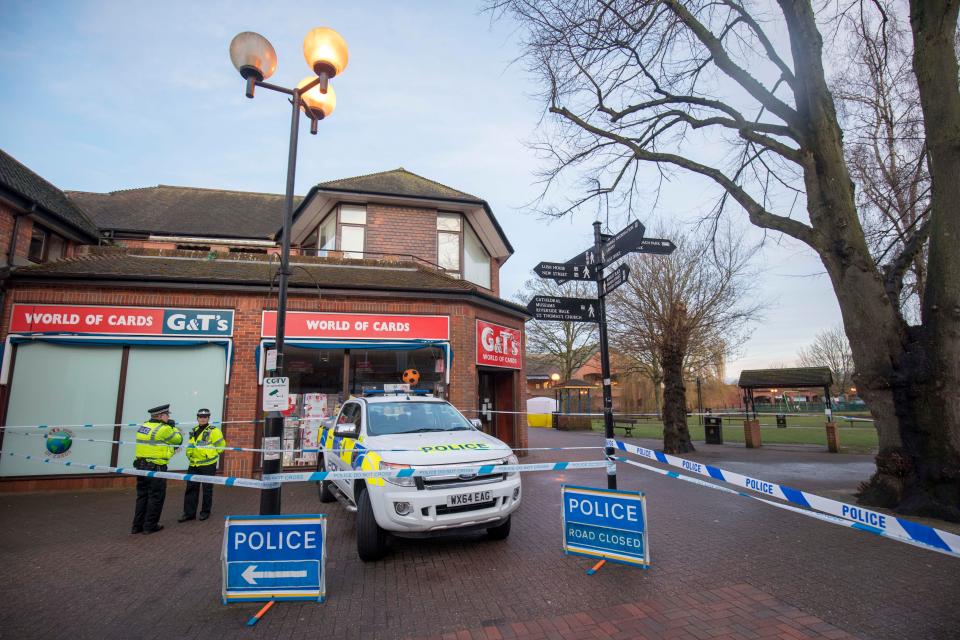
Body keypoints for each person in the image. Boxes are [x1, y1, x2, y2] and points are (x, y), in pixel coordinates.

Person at [131, 404, 183, 534]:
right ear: (160, 416)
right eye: (167, 415)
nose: (168, 417)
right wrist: (173, 427)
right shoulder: (164, 428)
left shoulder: (144, 426)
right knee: (156, 497)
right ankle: (150, 526)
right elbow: (178, 440)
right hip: (156, 467)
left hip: (140, 466)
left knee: (142, 496)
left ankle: (137, 526)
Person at [179, 408, 226, 522]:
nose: (203, 419)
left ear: (208, 418)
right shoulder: (194, 430)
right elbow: (191, 445)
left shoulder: (214, 431)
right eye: (200, 417)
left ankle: (205, 512)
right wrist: (189, 455)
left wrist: (210, 455)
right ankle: (189, 513)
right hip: (194, 464)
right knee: (191, 489)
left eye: (205, 417)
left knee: (207, 489)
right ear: (197, 418)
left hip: (208, 465)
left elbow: (221, 446)